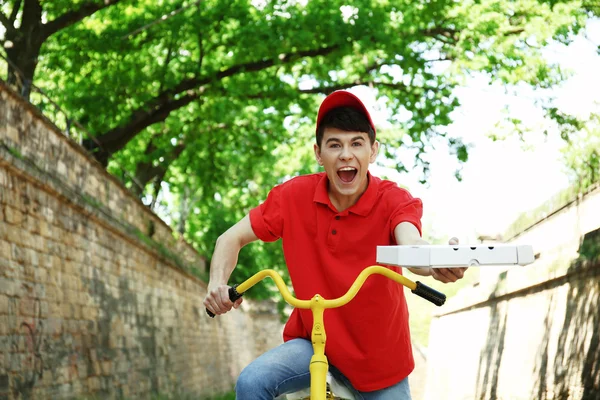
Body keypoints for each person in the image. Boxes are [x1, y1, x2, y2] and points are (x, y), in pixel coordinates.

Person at [203, 90, 468, 400]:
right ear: (318, 153)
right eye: (334, 145)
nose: (346, 154)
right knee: (252, 383)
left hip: (379, 361)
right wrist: (217, 284)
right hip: (313, 344)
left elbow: (411, 246)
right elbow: (229, 238)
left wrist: (436, 262)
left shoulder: (393, 200)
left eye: (357, 143)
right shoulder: (292, 198)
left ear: (373, 151)